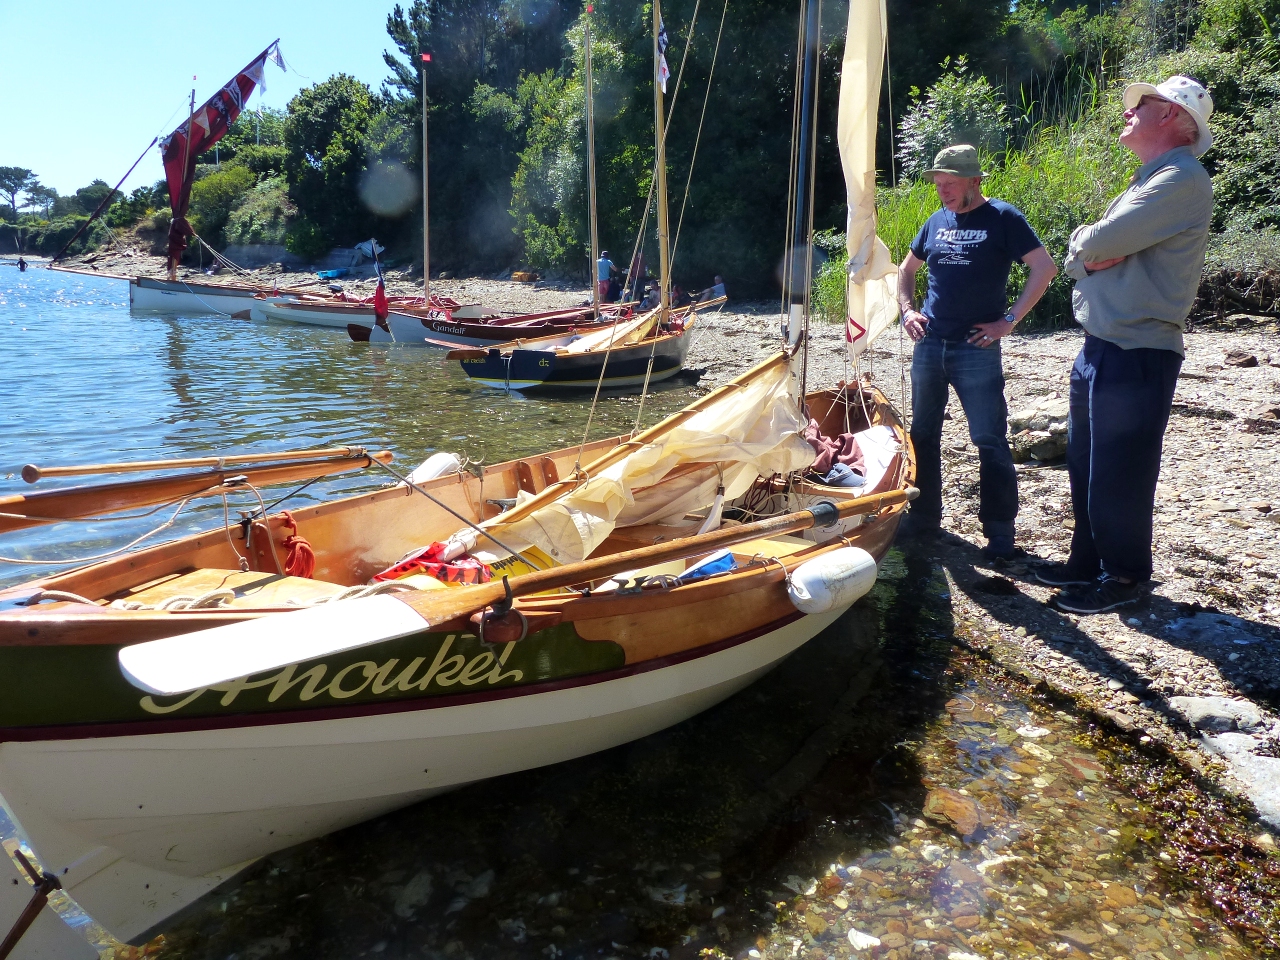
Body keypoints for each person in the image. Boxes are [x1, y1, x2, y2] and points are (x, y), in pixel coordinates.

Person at [1037, 76, 1214, 614]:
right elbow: (1081, 255)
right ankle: (1086, 564)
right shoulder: (1150, 179)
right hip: (1104, 343)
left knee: (1122, 469)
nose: (1128, 111)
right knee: (1088, 463)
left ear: (1172, 117)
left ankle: (1127, 577)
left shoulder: (1182, 178)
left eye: (1142, 104)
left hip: (1138, 347)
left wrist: (1086, 250)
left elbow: (1095, 243)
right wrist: (1085, 253)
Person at [897, 144, 1058, 560]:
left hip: (976, 346)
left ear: (974, 181)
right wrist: (907, 310)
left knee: (988, 437)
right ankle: (924, 518)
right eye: (938, 184)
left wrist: (1010, 320)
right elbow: (906, 270)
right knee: (923, 434)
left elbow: (1044, 268)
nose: (943, 191)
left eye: (950, 184)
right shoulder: (935, 221)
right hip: (930, 343)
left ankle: (1000, 532)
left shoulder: (1003, 218)